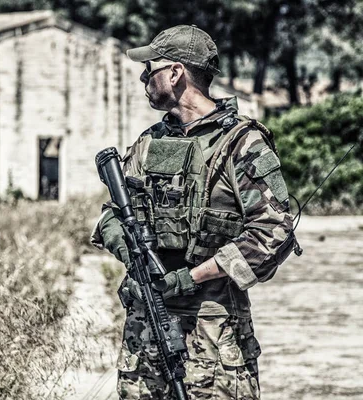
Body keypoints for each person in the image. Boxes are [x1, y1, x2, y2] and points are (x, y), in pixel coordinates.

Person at [91, 25, 295, 399]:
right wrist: (131, 252)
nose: (143, 78)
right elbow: (111, 215)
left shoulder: (241, 142)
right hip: (146, 331)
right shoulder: (151, 141)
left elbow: (273, 232)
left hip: (213, 334)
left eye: (149, 69)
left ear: (174, 73)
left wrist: (191, 277)